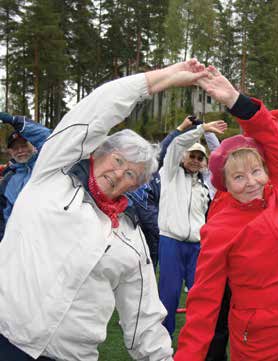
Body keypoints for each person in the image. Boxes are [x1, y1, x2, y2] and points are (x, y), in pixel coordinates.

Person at [0, 59, 209, 360]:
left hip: (71, 355)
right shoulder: (53, 175)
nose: (119, 174)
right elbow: (97, 110)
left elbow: (144, 315)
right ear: (99, 153)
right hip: (6, 336)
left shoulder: (130, 236)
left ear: (135, 186)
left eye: (131, 175)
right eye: (118, 161)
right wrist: (160, 79)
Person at [174, 67, 278, 361]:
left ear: (266, 168)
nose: (250, 181)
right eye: (238, 177)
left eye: (255, 171)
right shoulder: (221, 226)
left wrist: (236, 99)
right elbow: (203, 305)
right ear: (223, 182)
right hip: (268, 350)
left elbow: (269, 134)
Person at [158, 116, 227, 337]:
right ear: (183, 157)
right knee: (168, 295)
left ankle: (199, 341)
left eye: (200, 157)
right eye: (192, 156)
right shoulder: (169, 173)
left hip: (197, 246)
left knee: (200, 296)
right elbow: (176, 145)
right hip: (171, 242)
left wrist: (209, 134)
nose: (196, 160)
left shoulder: (206, 184)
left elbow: (221, 158)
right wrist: (200, 129)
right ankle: (162, 343)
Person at [0, 112, 51, 239]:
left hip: (48, 236)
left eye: (24, 145)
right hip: (19, 242)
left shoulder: (47, 164)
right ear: (10, 152)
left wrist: (16, 121)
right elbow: (2, 216)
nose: (20, 151)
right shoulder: (7, 179)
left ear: (34, 146)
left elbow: (51, 138)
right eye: (15, 148)